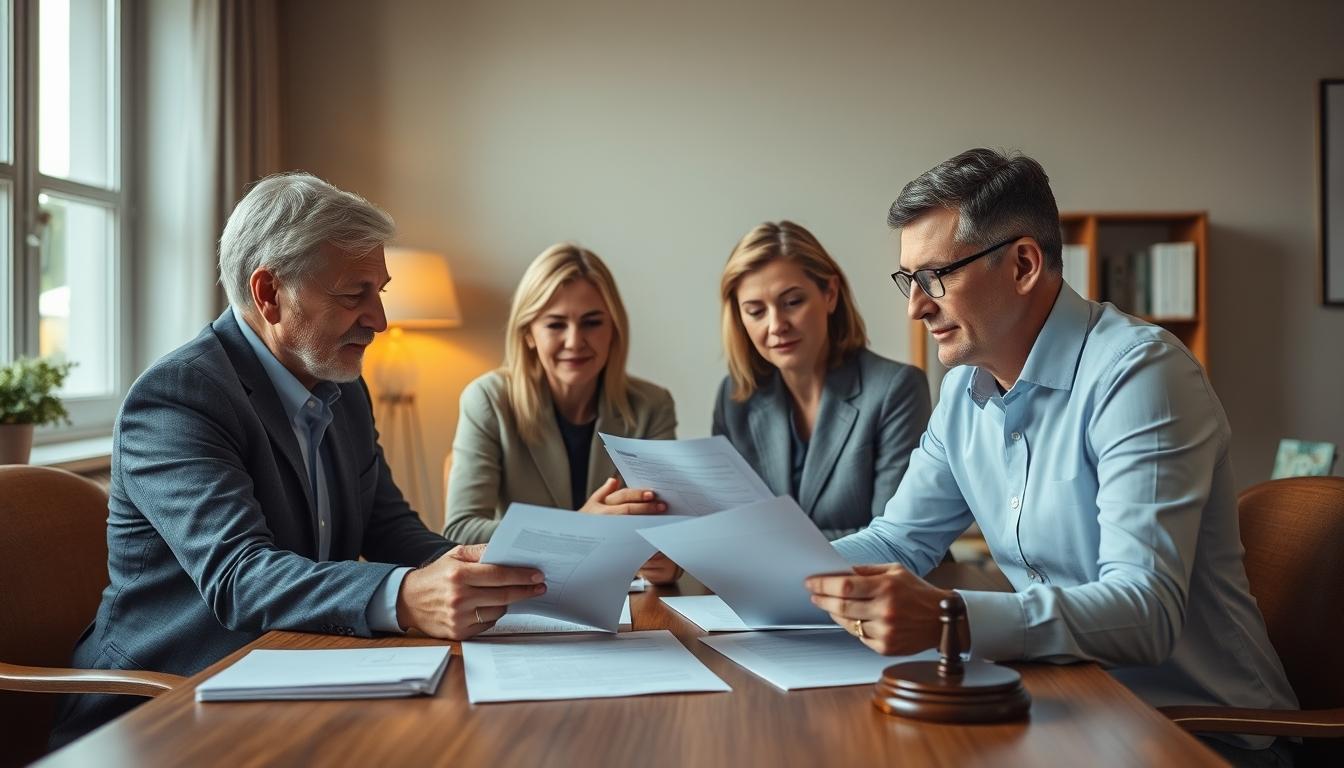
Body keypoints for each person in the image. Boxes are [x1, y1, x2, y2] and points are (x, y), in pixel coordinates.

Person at [803, 149, 1297, 762]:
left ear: (1024, 264)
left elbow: (1145, 611)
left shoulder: (1141, 375)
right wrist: (765, 568)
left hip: (1202, 733)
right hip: (1070, 706)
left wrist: (949, 617)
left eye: (935, 277)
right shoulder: (962, 393)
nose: (916, 306)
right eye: (910, 280)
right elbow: (898, 541)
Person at [51, 173, 544, 747]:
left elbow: (390, 529)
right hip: (161, 707)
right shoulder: (179, 398)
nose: (379, 319)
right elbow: (241, 577)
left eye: (379, 292)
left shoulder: (344, 389)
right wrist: (407, 595)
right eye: (353, 295)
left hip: (293, 675)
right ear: (269, 294)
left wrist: (491, 572)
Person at [443, 244, 680, 583]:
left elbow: (668, 527)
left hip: (621, 595)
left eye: (592, 323)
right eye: (556, 325)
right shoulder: (488, 400)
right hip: (526, 594)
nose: (574, 341)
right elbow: (460, 531)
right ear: (528, 334)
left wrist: (670, 561)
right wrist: (579, 529)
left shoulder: (652, 405)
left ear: (614, 329)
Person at [713, 221, 930, 539]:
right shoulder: (735, 398)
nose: (776, 325)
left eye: (792, 302)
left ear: (830, 293)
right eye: (756, 311)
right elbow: (725, 526)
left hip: (871, 573)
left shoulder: (896, 388)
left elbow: (892, 539)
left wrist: (765, 543)